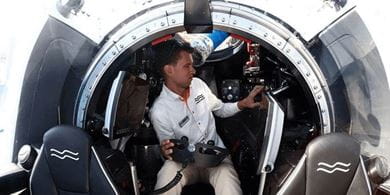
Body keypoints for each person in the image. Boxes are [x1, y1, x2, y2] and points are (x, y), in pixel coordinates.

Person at [149, 38, 267, 195]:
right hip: (186, 164)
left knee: (227, 176)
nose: (194, 70)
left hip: (216, 157)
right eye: (187, 66)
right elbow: (170, 150)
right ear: (169, 70)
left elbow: (221, 109)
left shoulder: (198, 85)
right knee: (168, 171)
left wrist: (243, 103)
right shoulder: (159, 111)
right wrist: (166, 153)